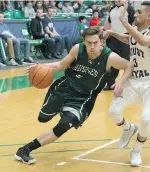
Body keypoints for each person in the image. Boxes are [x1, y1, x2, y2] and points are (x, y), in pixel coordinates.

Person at [14, 26, 133, 164]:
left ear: (101, 42)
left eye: (95, 42)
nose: (92, 46)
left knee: (63, 126)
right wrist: (41, 66)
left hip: (83, 98)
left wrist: (121, 82)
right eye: (89, 43)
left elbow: (129, 65)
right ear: (84, 41)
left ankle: (24, 150)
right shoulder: (78, 49)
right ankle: (62, 110)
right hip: (65, 88)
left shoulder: (110, 57)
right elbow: (60, 65)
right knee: (42, 118)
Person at [106, 1, 150, 167]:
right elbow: (129, 39)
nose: (135, 14)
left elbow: (142, 41)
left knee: (146, 118)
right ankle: (128, 128)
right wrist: (111, 32)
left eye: (139, 12)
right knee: (113, 112)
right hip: (134, 81)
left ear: (148, 16)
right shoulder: (136, 32)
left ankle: (136, 150)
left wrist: (124, 22)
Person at [103, 0, 135, 91]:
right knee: (111, 61)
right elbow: (109, 23)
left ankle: (129, 85)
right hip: (112, 38)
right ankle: (110, 84)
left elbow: (133, 23)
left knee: (127, 61)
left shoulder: (129, 9)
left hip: (124, 38)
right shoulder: (112, 9)